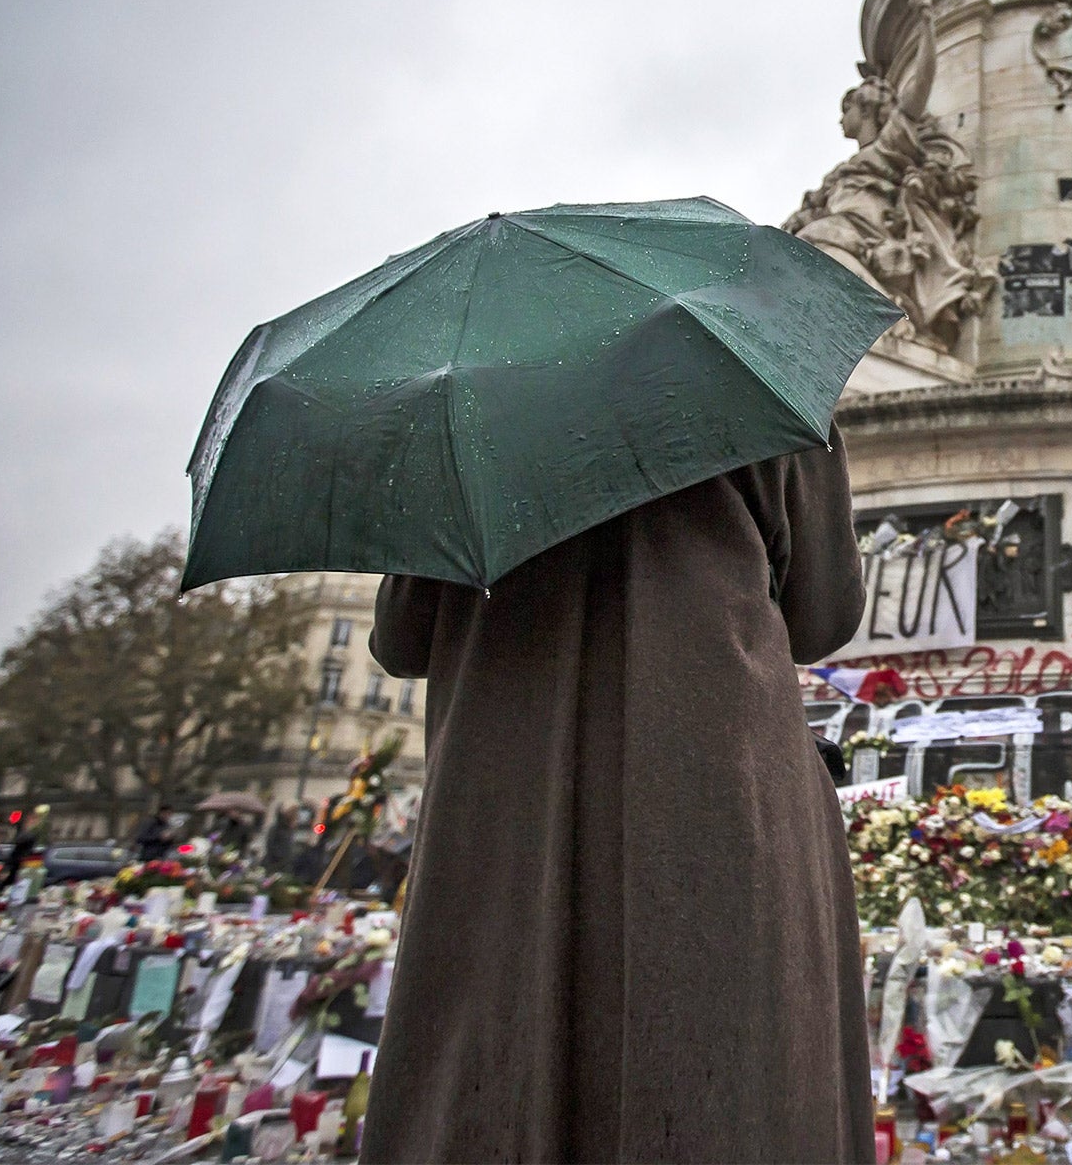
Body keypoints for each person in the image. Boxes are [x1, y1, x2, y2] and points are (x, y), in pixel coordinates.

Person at [361, 433, 872, 1164]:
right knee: (726, 1070)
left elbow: (400, 640)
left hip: (508, 795)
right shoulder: (746, 375)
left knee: (488, 1059)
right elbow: (825, 615)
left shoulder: (460, 412)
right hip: (719, 784)